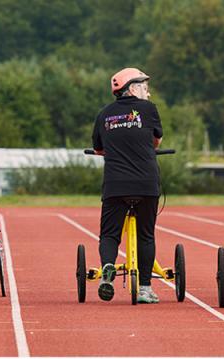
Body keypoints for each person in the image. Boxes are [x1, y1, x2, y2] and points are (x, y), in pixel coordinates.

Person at [90, 67, 164, 303]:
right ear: (132, 88)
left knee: (109, 234)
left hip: (115, 184)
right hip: (145, 182)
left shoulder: (104, 114)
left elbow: (99, 148)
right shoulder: (148, 110)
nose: (148, 93)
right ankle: (144, 288)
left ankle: (109, 267)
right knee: (146, 235)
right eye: (144, 87)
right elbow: (156, 140)